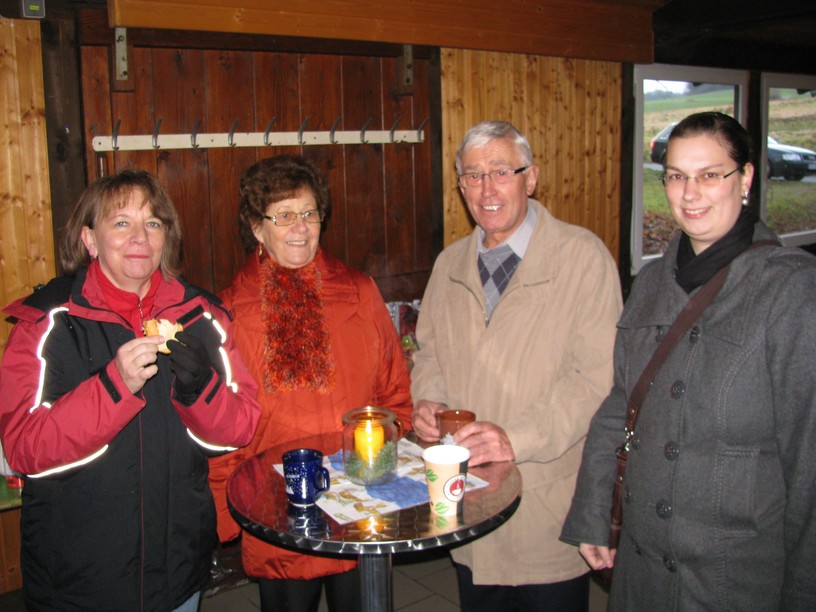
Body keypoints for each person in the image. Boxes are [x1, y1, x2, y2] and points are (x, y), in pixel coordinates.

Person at [561, 111, 816, 610]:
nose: (690, 193)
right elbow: (620, 403)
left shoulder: (791, 289)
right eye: (676, 176)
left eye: (710, 174)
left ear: (745, 178)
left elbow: (810, 463)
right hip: (641, 567)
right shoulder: (651, 282)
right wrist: (594, 513)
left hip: (734, 578)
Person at [0, 169, 261, 611]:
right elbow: (23, 447)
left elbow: (240, 428)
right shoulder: (47, 323)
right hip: (79, 583)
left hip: (177, 572)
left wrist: (200, 389)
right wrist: (113, 386)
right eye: (121, 222)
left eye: (153, 222)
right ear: (90, 239)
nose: (140, 236)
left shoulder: (201, 315)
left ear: (166, 238)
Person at [410, 120, 622, 611]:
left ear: (531, 178)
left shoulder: (581, 258)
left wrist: (515, 438)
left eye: (502, 171)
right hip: (468, 501)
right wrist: (429, 400)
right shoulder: (449, 265)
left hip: (544, 501)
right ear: (461, 186)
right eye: (473, 175)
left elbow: (596, 381)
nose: (487, 189)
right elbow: (430, 352)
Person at [208, 155, 413, 612]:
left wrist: (383, 463)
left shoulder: (359, 293)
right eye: (283, 215)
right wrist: (224, 509)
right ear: (257, 229)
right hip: (277, 509)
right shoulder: (229, 312)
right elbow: (221, 428)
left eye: (308, 213)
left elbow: (395, 393)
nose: (299, 227)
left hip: (360, 503)